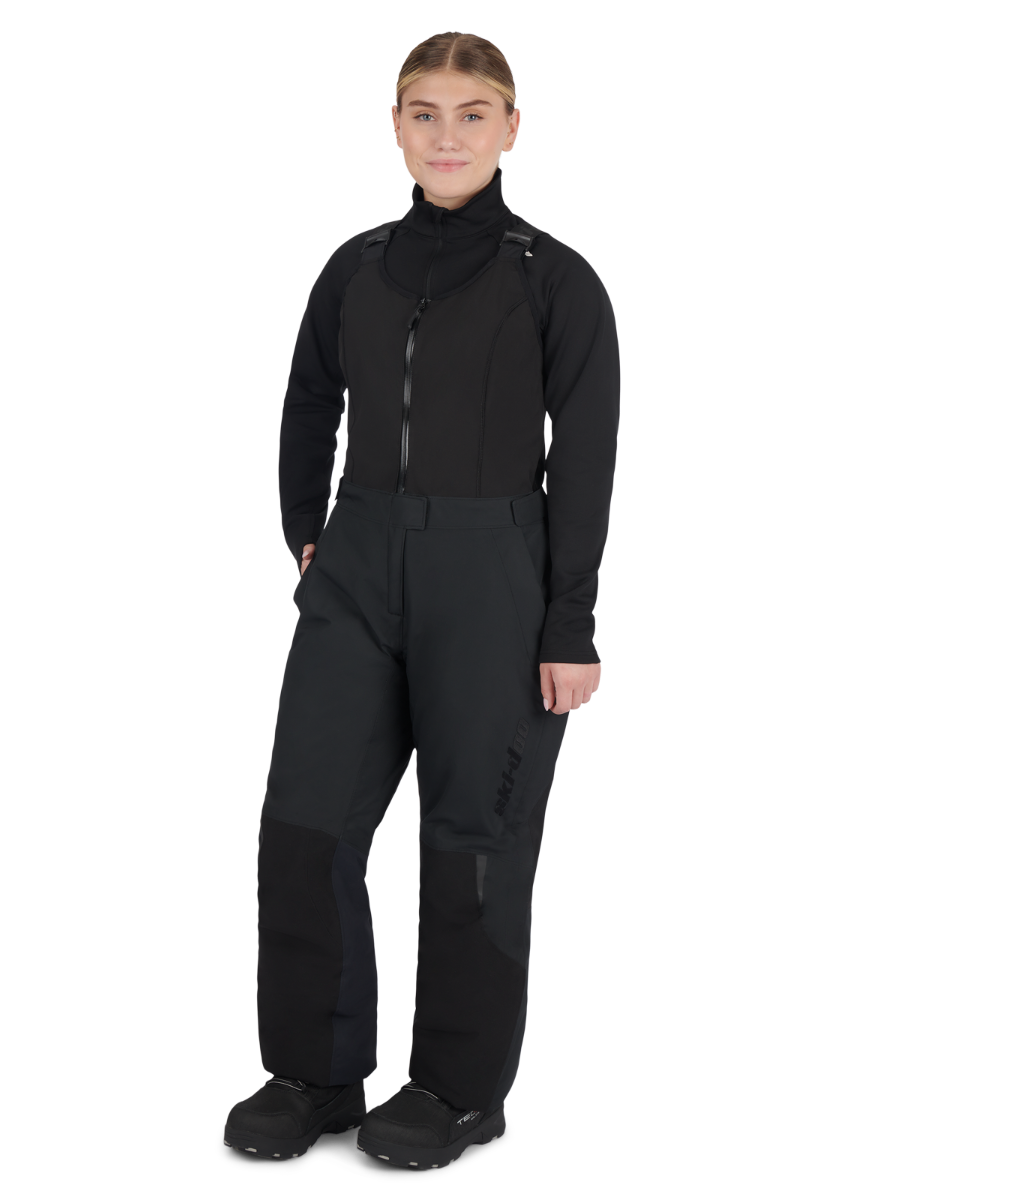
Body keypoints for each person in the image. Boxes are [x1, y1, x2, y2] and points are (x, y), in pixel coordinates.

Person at [222, 30, 619, 1171]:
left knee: (472, 839)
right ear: (396, 126)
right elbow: (308, 398)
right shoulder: (353, 266)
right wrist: (305, 527)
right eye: (424, 113)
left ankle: (456, 1091)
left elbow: (586, 459)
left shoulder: (555, 278)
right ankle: (314, 1074)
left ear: (511, 129)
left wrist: (571, 622)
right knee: (303, 823)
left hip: (495, 572)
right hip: (356, 564)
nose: (448, 136)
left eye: (471, 113)